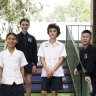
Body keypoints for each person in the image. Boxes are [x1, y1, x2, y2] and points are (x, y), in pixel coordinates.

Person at [38, 23, 67, 96]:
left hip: (57, 73)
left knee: (54, 93)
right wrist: (48, 70)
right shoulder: (43, 45)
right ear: (48, 33)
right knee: (43, 92)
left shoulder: (61, 45)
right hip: (45, 73)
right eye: (50, 31)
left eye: (54, 31)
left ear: (57, 33)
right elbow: (42, 59)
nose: (52, 32)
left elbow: (61, 60)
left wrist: (52, 70)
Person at [16, 18, 38, 96]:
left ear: (28, 26)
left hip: (29, 63)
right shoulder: (16, 37)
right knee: (20, 82)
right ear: (20, 25)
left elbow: (35, 52)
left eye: (26, 25)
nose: (24, 26)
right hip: (18, 64)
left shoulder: (32, 38)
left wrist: (35, 64)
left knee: (28, 81)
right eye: (23, 25)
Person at [74, 30, 96, 96]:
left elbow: (90, 62)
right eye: (83, 37)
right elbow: (82, 61)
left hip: (94, 76)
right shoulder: (81, 51)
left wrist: (87, 75)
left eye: (87, 37)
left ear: (90, 39)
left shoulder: (91, 49)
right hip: (90, 76)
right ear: (80, 38)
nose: (85, 38)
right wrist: (77, 68)